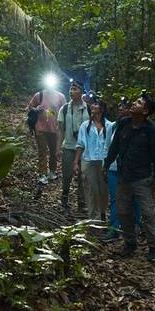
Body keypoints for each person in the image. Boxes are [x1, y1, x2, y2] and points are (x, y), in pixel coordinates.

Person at [104, 92, 155, 262]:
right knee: (123, 211)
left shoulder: (151, 130)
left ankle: (154, 247)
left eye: (138, 103)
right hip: (124, 176)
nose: (133, 104)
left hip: (142, 178)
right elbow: (115, 147)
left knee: (148, 212)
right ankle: (130, 242)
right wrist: (106, 165)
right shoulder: (123, 123)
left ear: (145, 112)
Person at [103, 97, 141, 243]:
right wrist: (105, 165)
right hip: (114, 168)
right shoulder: (113, 126)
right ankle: (113, 229)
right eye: (119, 105)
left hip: (132, 170)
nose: (120, 108)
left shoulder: (138, 126)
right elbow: (108, 147)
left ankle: (135, 225)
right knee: (114, 199)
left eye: (124, 106)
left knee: (135, 198)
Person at [74, 99, 111, 221]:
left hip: (104, 162)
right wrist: (76, 162)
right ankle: (94, 217)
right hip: (88, 161)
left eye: (96, 104)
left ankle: (103, 213)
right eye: (92, 104)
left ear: (102, 109)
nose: (93, 106)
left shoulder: (109, 126)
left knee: (103, 190)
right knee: (91, 189)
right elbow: (80, 144)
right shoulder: (85, 126)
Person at [57, 80, 90, 213]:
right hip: (69, 146)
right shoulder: (64, 108)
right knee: (67, 174)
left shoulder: (89, 108)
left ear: (81, 92)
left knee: (83, 176)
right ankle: (64, 198)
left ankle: (81, 203)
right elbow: (60, 129)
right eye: (71, 89)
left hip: (85, 148)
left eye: (75, 89)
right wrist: (58, 147)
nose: (71, 92)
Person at [26, 81, 66, 185]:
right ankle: (42, 174)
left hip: (55, 129)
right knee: (42, 152)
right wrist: (36, 108)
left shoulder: (60, 96)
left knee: (53, 152)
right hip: (40, 128)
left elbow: (65, 111)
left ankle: (52, 171)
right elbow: (30, 107)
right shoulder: (39, 95)